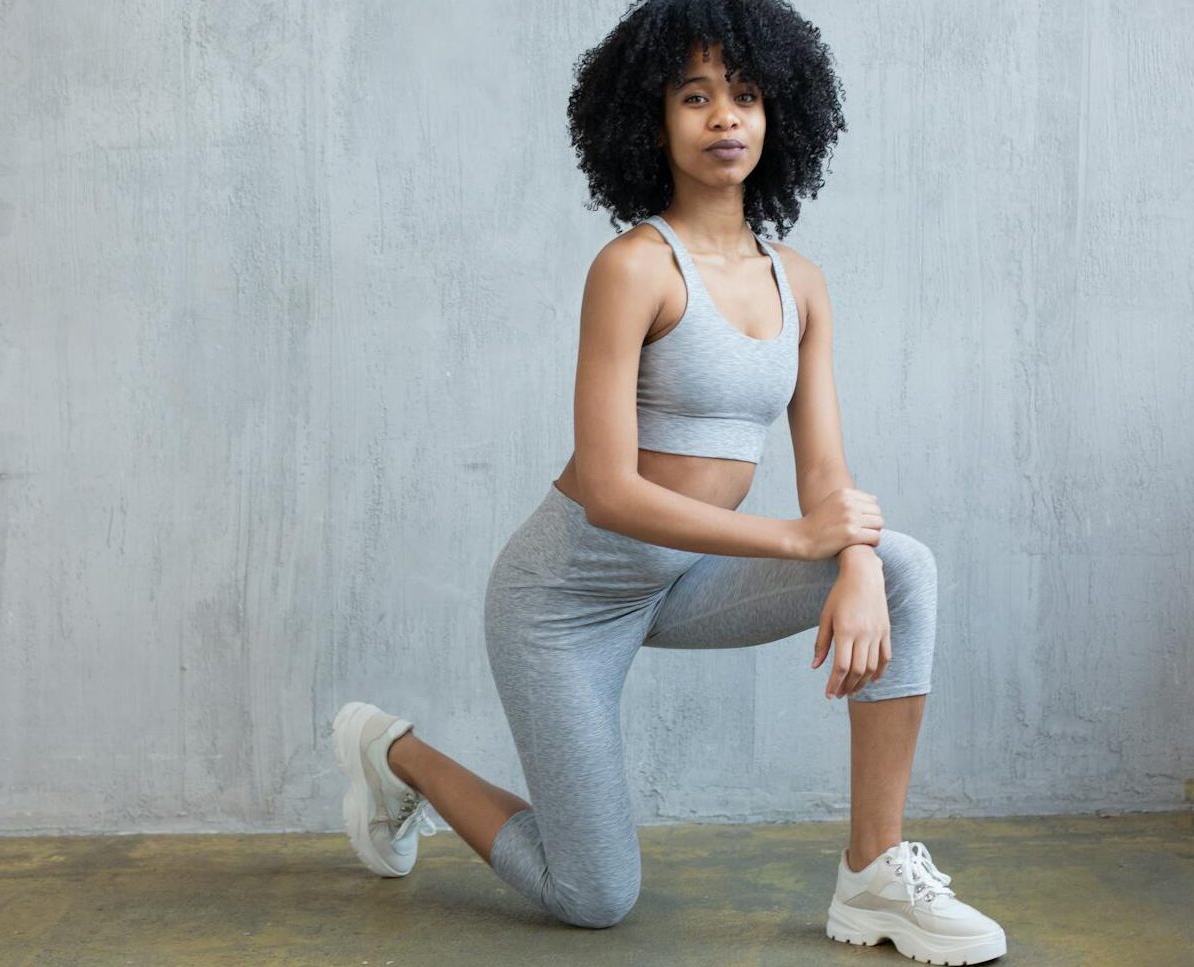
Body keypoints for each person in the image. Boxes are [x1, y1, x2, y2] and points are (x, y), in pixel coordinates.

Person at [331, 1, 1006, 962]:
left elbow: (823, 469)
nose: (723, 116)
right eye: (694, 97)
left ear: (778, 117)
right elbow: (607, 490)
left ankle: (872, 872)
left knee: (902, 565)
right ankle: (393, 752)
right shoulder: (633, 267)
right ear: (651, 122)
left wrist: (851, 558)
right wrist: (802, 542)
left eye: (744, 95)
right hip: (563, 601)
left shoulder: (799, 281)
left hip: (680, 581)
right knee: (593, 896)